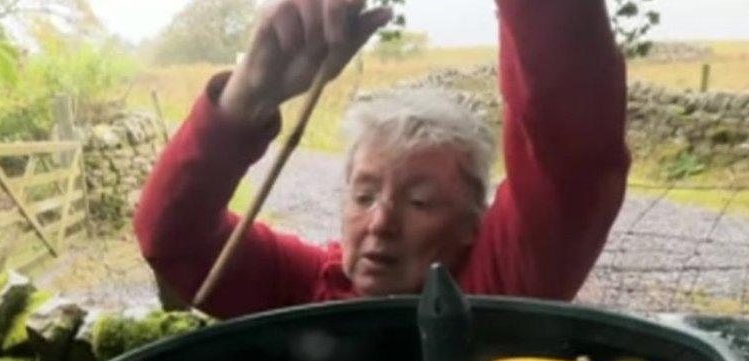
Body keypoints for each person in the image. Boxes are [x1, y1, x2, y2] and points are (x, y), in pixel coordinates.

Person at [134, 0, 630, 319]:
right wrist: (247, 97)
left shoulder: (502, 288)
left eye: (420, 201)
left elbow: (575, 154)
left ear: (471, 224)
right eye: (364, 195)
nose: (381, 223)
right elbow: (174, 239)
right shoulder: (304, 286)